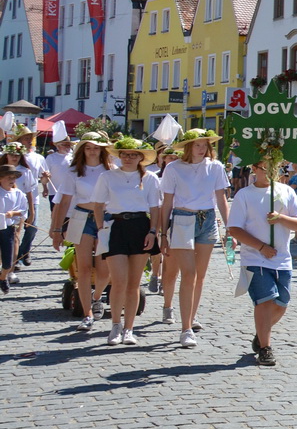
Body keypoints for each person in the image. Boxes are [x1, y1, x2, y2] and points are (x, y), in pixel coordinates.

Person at [229, 155, 297, 367]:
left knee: (281, 303)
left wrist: (281, 218)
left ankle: (261, 332)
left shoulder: (287, 191)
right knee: (264, 300)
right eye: (266, 168)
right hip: (255, 257)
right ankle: (265, 347)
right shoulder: (244, 195)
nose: (271, 172)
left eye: (276, 168)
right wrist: (261, 247)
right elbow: (234, 228)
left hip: (282, 258)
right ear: (255, 168)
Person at [158, 129, 232, 348]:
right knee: (187, 273)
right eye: (198, 144)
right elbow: (167, 203)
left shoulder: (215, 167)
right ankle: (186, 328)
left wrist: (230, 229)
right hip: (182, 218)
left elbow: (222, 200)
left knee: (199, 275)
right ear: (188, 146)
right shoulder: (173, 168)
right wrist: (163, 233)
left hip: (207, 219)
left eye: (205, 144)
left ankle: (191, 315)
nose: (202, 148)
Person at [89, 137, 164, 346]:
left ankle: (129, 329)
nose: (128, 158)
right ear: (119, 156)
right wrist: (101, 229)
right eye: (124, 154)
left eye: (133, 155)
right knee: (119, 280)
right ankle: (115, 325)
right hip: (116, 226)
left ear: (141, 157)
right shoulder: (108, 176)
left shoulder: (149, 179)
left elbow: (155, 209)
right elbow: (97, 205)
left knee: (134, 283)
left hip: (140, 226)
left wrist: (152, 232)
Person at [52, 134, 115, 331]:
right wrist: (57, 229)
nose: (92, 151)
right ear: (82, 150)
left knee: (104, 269)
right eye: (88, 148)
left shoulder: (111, 170)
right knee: (84, 268)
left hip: (105, 219)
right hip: (81, 217)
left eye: (96, 148)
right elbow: (64, 202)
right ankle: (87, 314)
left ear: (102, 150)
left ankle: (97, 298)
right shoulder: (74, 172)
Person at [0, 144, 38, 286]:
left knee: (15, 239)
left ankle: (10, 269)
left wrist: (31, 212)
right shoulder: (1, 168)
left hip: (16, 211)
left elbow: (29, 194)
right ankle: (4, 269)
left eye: (17, 155)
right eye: (12, 154)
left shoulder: (25, 172)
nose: (14, 157)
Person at [0, 165, 27, 293]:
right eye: (9, 177)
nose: (12, 180)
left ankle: (3, 277)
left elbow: (23, 210)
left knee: (8, 261)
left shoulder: (18, 194)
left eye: (14, 178)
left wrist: (13, 213)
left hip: (8, 228)